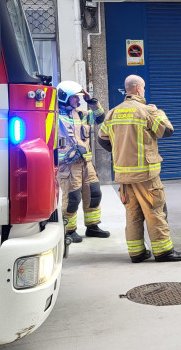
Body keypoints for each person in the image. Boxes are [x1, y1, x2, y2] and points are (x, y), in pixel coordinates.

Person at [97, 75, 181, 263]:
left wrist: (121, 153)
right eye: (143, 88)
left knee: (133, 214)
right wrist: (159, 112)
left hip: (124, 176)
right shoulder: (147, 111)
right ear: (138, 89)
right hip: (146, 175)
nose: (143, 91)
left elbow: (101, 139)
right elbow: (167, 131)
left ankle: (137, 253)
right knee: (155, 211)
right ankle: (163, 252)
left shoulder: (113, 113)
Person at [56, 81, 110, 243]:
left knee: (94, 193)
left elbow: (100, 117)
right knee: (73, 198)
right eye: (74, 98)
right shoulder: (54, 116)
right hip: (69, 165)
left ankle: (92, 226)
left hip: (86, 163)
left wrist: (91, 101)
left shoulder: (81, 113)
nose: (78, 101)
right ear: (64, 97)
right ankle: (69, 229)